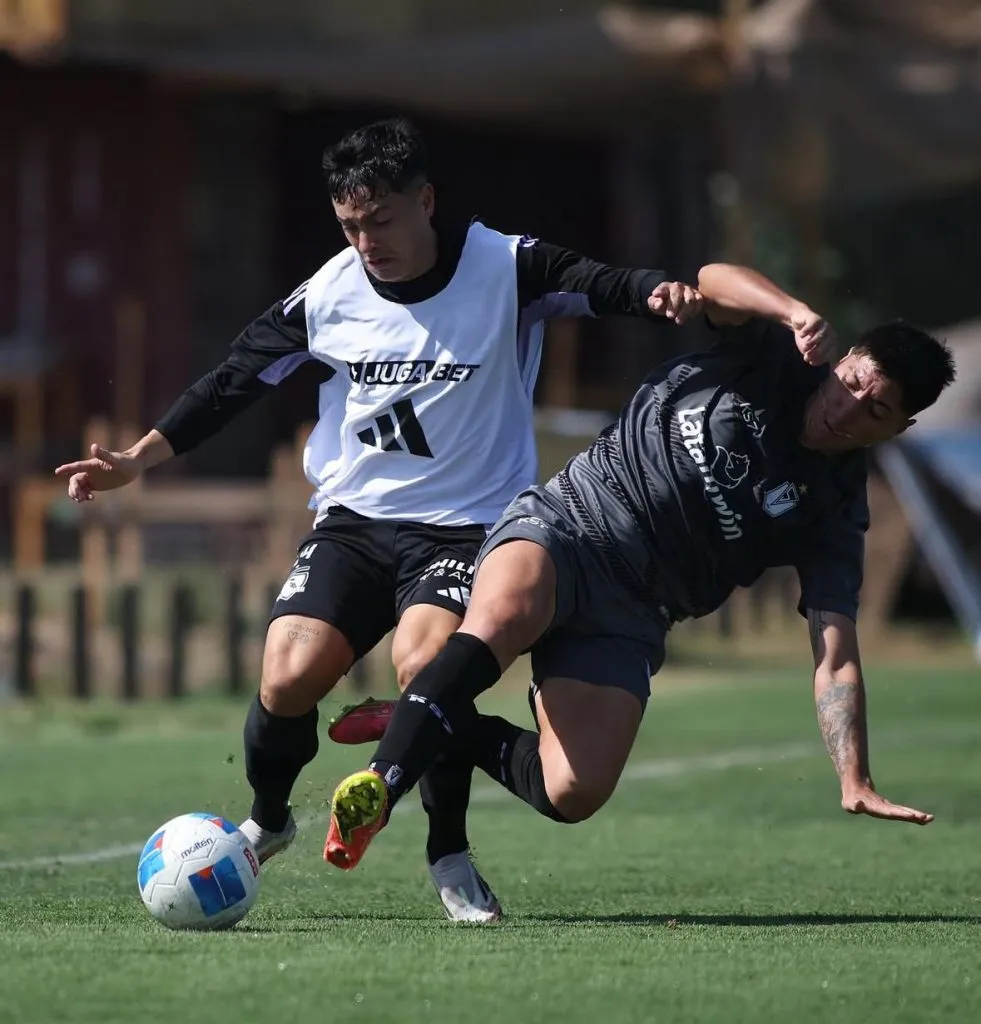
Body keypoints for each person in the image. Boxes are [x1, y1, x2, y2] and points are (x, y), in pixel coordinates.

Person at [54, 117, 701, 921]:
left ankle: (449, 855)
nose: (367, 242)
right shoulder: (327, 294)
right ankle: (268, 816)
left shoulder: (502, 265)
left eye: (382, 221)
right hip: (354, 523)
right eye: (351, 226)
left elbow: (596, 281)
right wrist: (135, 460)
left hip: (468, 527)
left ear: (424, 201)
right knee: (287, 675)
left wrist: (656, 290)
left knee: (426, 662)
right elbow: (231, 382)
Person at [322, 261, 956, 875]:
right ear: (842, 362)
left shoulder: (837, 511)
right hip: (571, 522)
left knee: (570, 790)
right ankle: (382, 782)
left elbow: (836, 653)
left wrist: (855, 776)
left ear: (902, 427)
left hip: (635, 610)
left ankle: (435, 711)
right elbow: (711, 281)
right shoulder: (774, 352)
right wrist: (791, 309)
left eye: (875, 410)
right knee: (502, 618)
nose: (847, 410)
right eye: (851, 385)